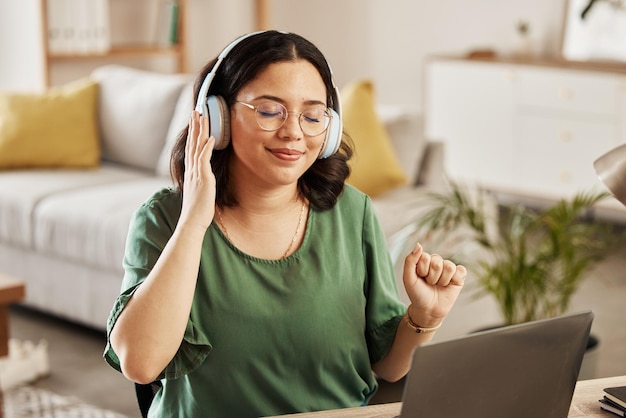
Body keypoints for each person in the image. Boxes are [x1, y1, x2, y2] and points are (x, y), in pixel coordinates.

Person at [103, 30, 466, 417]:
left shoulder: (353, 213)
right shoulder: (164, 217)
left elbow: (389, 367)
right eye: (269, 110)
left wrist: (424, 318)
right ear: (217, 117)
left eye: (312, 116)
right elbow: (140, 365)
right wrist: (193, 221)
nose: (293, 132)